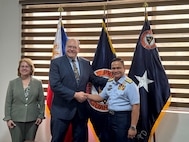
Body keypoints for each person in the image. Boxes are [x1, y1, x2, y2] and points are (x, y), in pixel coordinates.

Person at [49, 38, 107, 142]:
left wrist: (114, 81)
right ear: (65, 48)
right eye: (69, 47)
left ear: (78, 49)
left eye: (74, 47)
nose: (71, 49)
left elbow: (94, 79)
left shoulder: (85, 63)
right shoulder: (56, 63)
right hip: (61, 110)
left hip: (81, 111)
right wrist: (74, 95)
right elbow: (55, 85)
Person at [85, 57, 140, 142]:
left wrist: (133, 127)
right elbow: (100, 97)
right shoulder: (110, 82)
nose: (116, 70)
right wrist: (86, 95)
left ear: (124, 69)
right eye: (113, 68)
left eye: (118, 68)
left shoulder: (130, 85)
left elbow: (136, 106)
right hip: (110, 117)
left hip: (123, 119)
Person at [3, 58, 45, 142]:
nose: (24, 68)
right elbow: (8, 102)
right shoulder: (12, 83)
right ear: (19, 69)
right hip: (15, 120)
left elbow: (41, 101)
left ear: (31, 69)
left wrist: (40, 115)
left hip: (33, 120)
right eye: (22, 66)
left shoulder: (38, 83)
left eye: (27, 66)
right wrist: (8, 118)